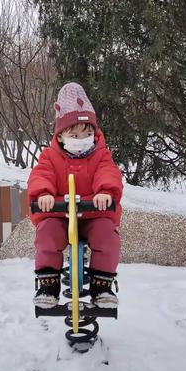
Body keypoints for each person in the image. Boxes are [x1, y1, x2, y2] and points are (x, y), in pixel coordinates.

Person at [28, 82, 123, 309]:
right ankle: (48, 286)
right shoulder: (50, 156)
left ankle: (102, 286)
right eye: (74, 134)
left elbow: (108, 173)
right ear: (60, 136)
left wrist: (104, 193)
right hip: (60, 215)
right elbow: (41, 175)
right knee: (47, 233)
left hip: (92, 215)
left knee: (107, 235)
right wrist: (44, 194)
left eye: (87, 133)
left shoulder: (101, 155)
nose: (82, 140)